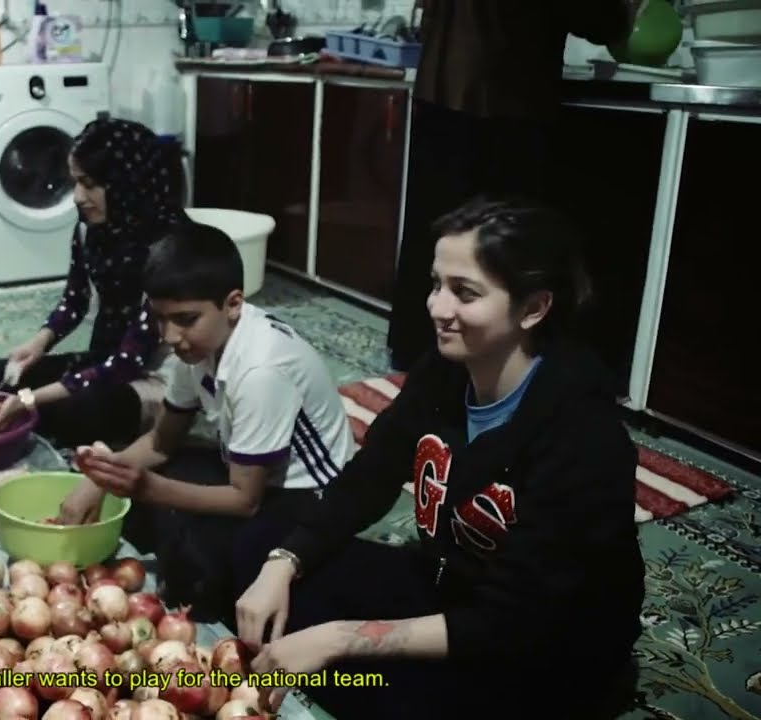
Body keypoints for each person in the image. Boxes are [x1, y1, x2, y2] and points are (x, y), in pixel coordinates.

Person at [234, 197, 645, 720]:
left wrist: (341, 638)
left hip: (546, 645)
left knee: (395, 699)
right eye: (436, 284)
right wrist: (284, 561)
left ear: (534, 308)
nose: (436, 307)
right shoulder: (446, 371)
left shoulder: (584, 437)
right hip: (452, 587)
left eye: (464, 293)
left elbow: (516, 618)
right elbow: (371, 477)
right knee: (258, 549)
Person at [59, 222, 355, 622]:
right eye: (160, 319)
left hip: (310, 495)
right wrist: (97, 479)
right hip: (248, 472)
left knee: (208, 557)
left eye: (185, 319)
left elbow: (245, 501)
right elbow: (161, 442)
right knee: (144, 487)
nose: (169, 336)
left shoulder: (260, 372)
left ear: (233, 304)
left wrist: (147, 487)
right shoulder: (197, 348)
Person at [387, 0, 636, 370]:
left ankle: (418, 357)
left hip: (441, 88)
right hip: (508, 97)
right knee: (502, 243)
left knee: (438, 227)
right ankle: (478, 365)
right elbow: (599, 20)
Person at [0, 117, 189, 449]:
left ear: (126, 182)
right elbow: (75, 299)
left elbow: (129, 361)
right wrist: (38, 344)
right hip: (102, 360)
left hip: (150, 377)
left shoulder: (170, 248)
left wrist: (28, 400)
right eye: (75, 183)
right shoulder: (91, 228)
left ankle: (34, 418)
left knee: (81, 412)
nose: (78, 197)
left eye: (90, 184)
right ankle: (32, 416)